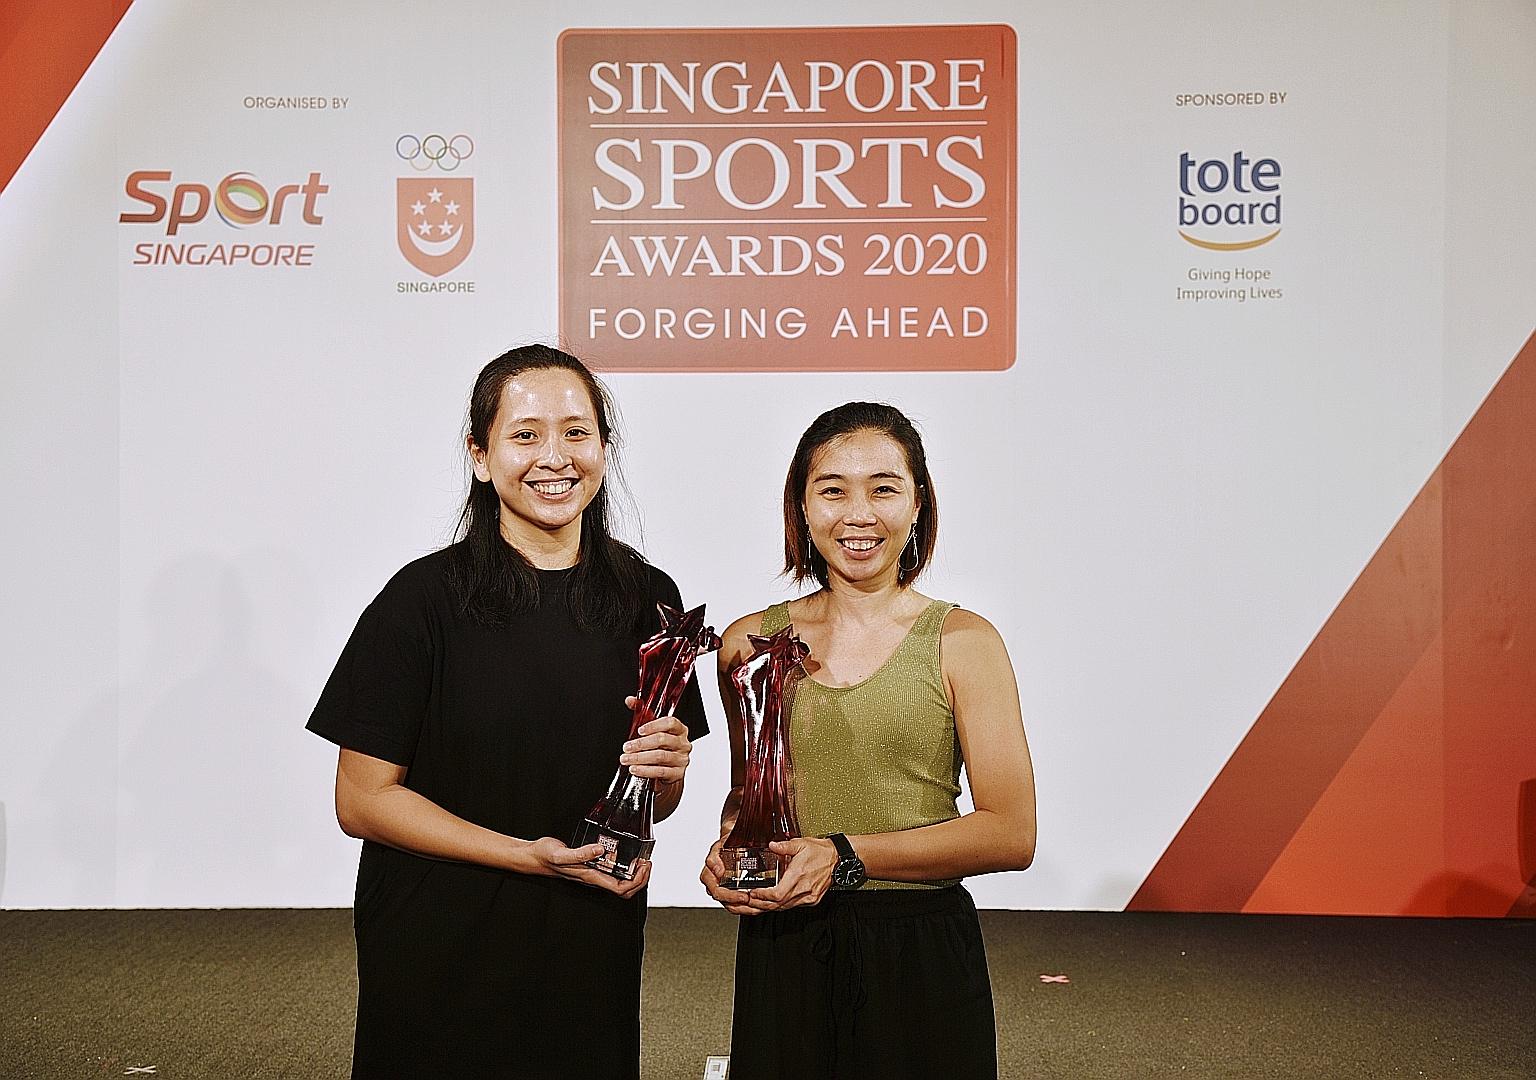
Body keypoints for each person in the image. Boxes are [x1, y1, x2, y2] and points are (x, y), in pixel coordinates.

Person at [307, 345, 707, 1079]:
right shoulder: (421, 601)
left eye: (576, 432)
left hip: (591, 934)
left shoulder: (650, 596)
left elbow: (656, 800)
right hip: (440, 936)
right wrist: (528, 856)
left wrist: (669, 771)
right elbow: (362, 801)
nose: (553, 457)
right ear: (480, 456)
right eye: (524, 435)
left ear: (604, 449)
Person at [701, 401, 1036, 1080]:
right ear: (801, 506)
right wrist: (730, 850)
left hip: (922, 951)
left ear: (918, 505)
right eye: (833, 490)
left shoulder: (964, 642)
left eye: (884, 488)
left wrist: (845, 856)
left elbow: (1011, 833)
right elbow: (750, 796)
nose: (859, 515)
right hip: (784, 944)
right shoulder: (748, 642)